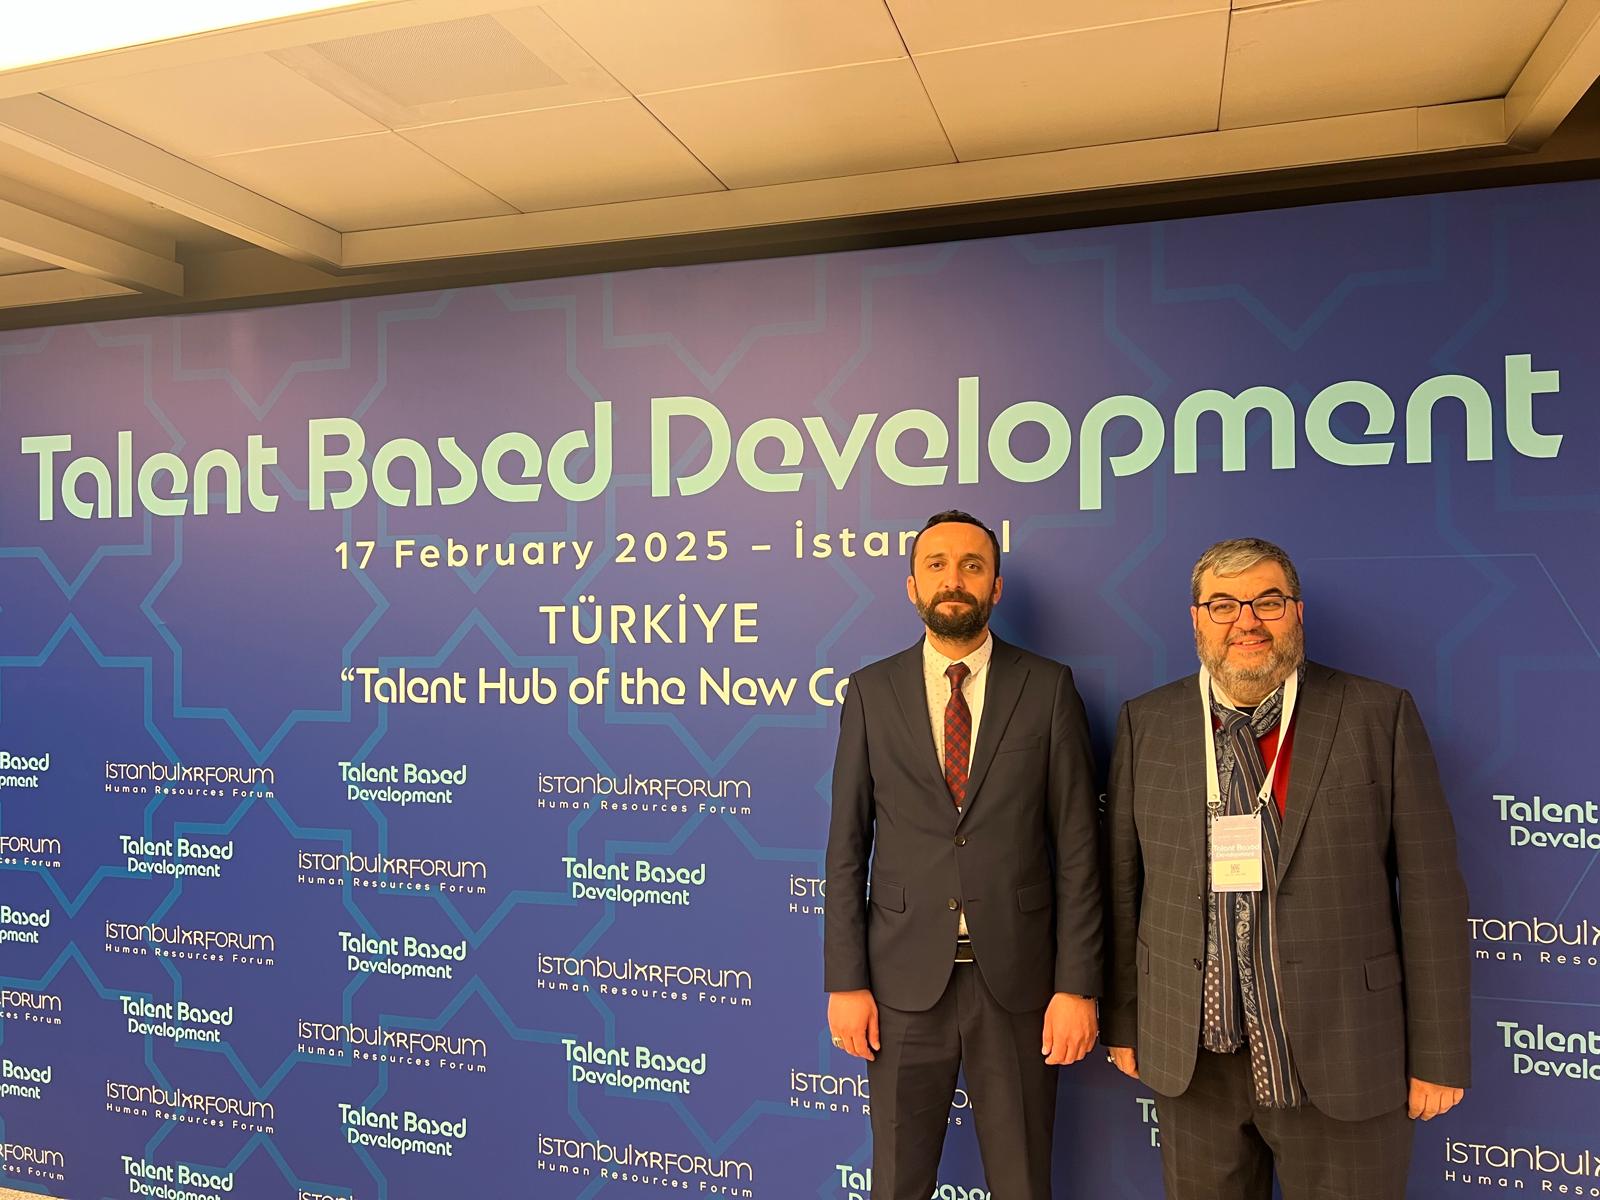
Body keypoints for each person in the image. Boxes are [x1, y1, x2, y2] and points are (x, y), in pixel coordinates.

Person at [1103, 537, 1470, 1199]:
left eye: (1267, 602)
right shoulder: (1146, 723)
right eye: (1223, 605)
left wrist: (1439, 1054)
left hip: (1344, 1054)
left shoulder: (1377, 715)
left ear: (1296, 612)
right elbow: (1125, 889)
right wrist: (1126, 1021)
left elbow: (1430, 894)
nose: (1246, 621)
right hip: (1194, 1063)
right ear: (1196, 620)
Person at [823, 509, 1102, 1200]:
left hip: (1019, 985)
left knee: (1022, 1182)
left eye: (973, 565)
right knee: (898, 1182)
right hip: (901, 987)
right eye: (937, 565)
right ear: (912, 586)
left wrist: (1077, 986)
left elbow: (1078, 850)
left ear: (995, 586)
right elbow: (846, 848)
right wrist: (846, 982)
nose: (955, 579)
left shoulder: (1048, 687)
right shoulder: (870, 692)